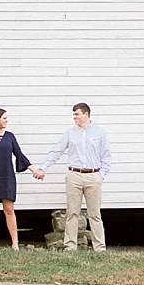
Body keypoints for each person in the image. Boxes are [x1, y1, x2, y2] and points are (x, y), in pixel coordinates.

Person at [42, 102, 111, 252]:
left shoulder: (99, 132)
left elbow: (106, 155)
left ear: (86, 115)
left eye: (77, 114)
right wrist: (44, 167)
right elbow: (57, 151)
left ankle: (100, 247)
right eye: (73, 114)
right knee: (72, 212)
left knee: (94, 214)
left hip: (93, 175)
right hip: (74, 175)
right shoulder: (70, 133)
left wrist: (101, 175)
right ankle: (70, 246)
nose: (74, 117)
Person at [0, 108, 42, 250]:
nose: (6, 121)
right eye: (4, 118)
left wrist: (34, 170)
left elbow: (20, 155)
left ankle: (15, 243)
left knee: (9, 209)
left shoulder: (10, 137)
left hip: (7, 176)